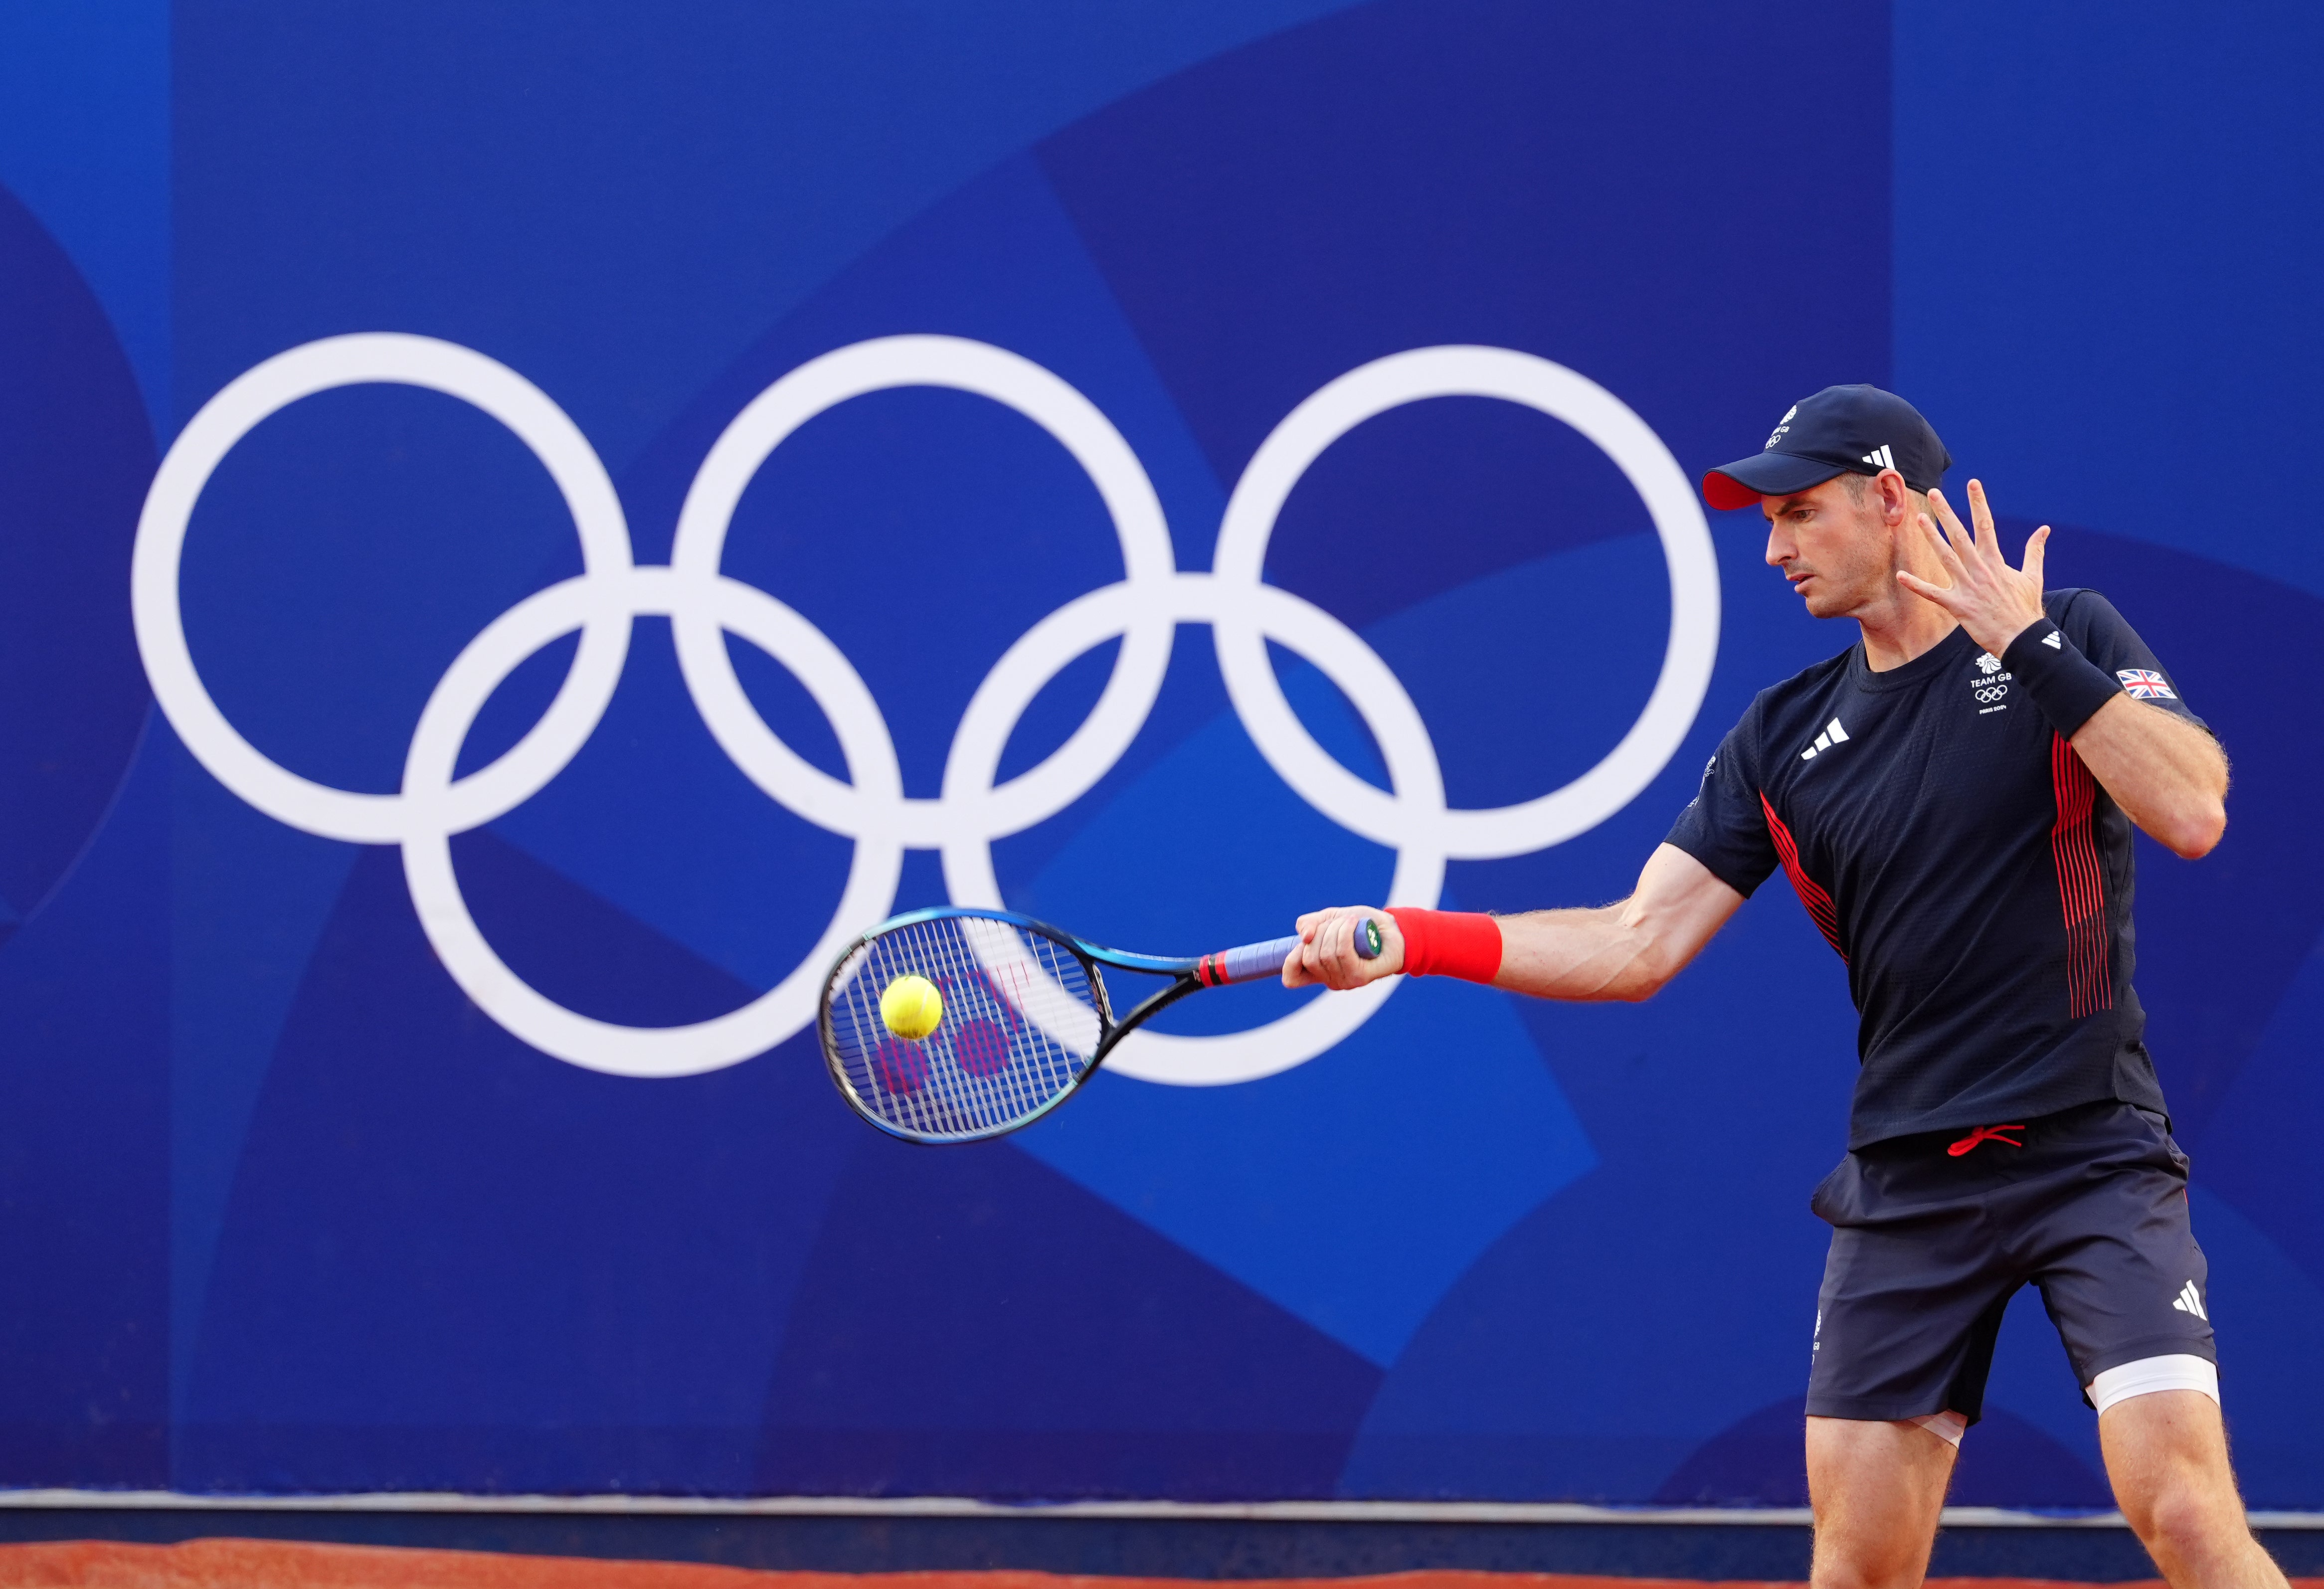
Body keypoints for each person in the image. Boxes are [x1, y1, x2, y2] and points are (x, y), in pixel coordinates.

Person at [1284, 385, 2284, 1589]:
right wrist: (1407, 935)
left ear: (1891, 499)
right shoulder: (1781, 737)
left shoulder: (2066, 631)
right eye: (1769, 520)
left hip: (2092, 1155)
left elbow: (2192, 808)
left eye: (1801, 513)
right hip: (1907, 1182)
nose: (1775, 549)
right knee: (1855, 1569)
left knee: (2179, 1506)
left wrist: (2028, 649)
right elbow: (1634, 940)